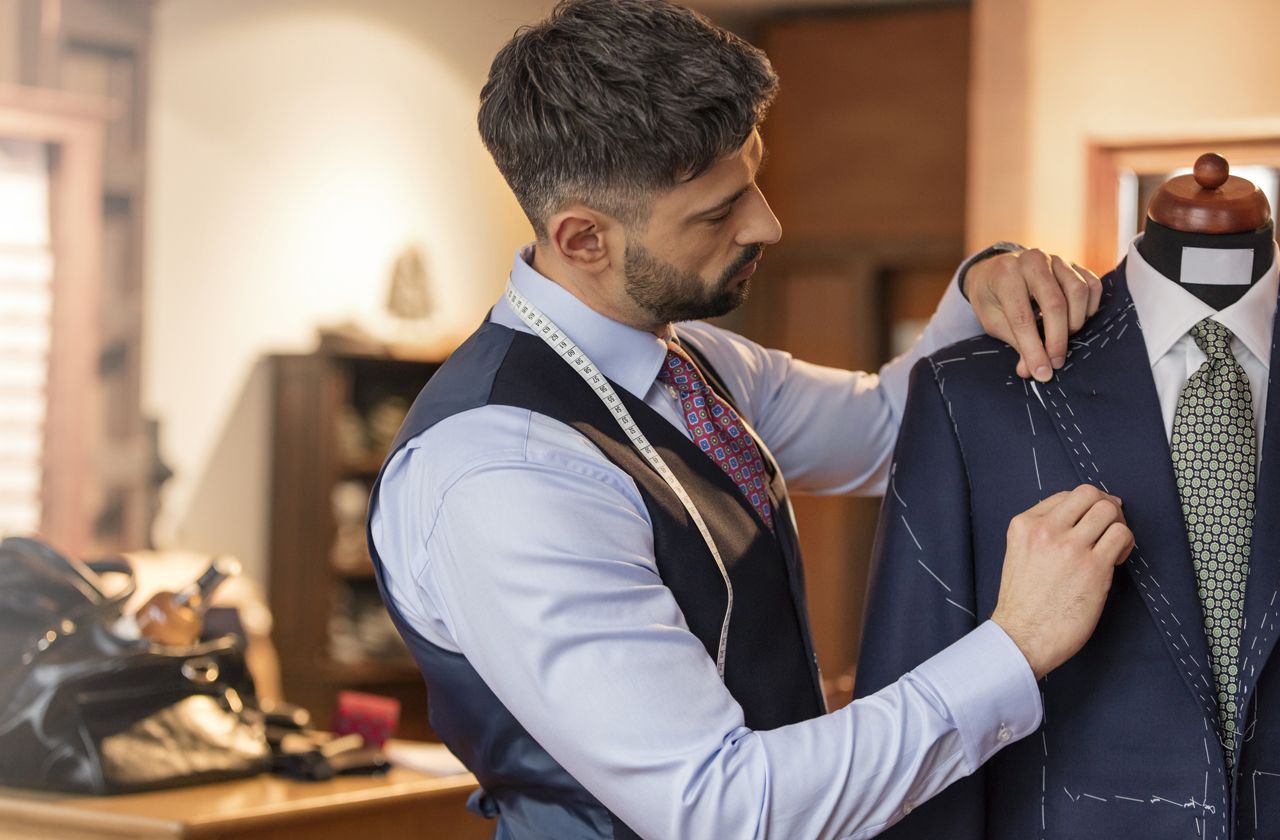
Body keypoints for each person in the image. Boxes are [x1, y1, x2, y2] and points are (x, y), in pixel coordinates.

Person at [366, 2, 1133, 838]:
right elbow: (721, 809)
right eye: (716, 211)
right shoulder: (506, 472)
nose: (768, 222)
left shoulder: (692, 361)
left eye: (753, 179)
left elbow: (888, 430)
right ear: (583, 239)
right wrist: (1016, 646)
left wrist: (984, 282)